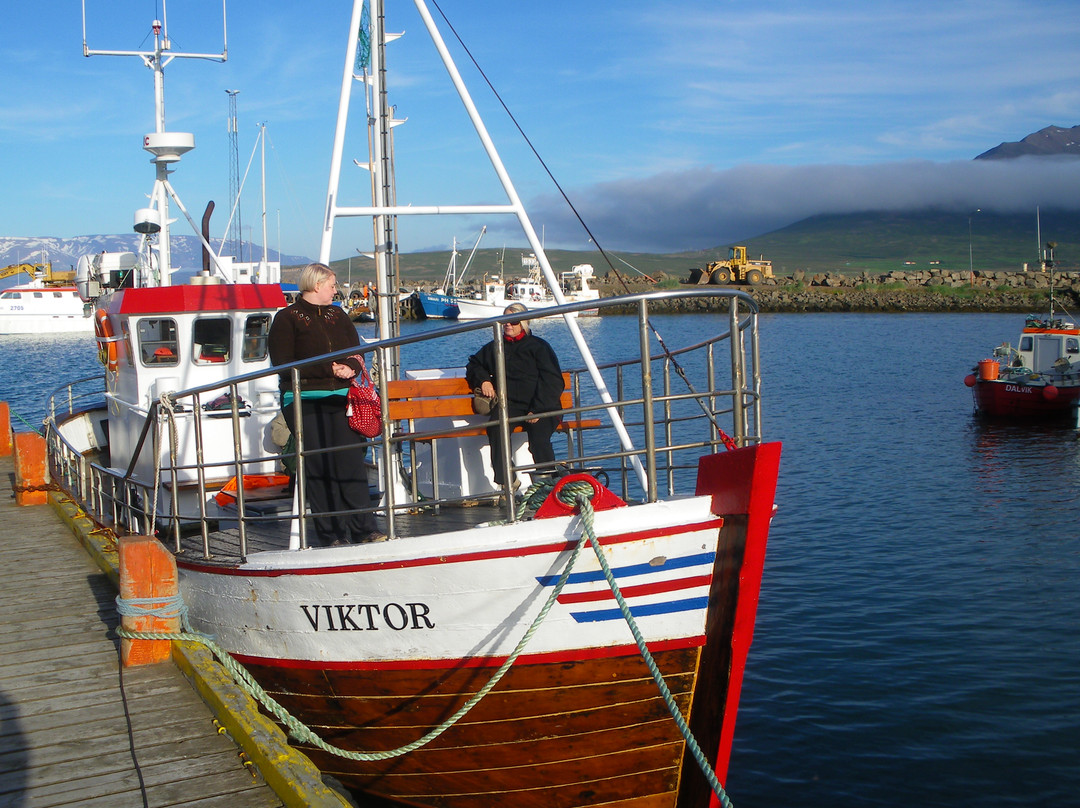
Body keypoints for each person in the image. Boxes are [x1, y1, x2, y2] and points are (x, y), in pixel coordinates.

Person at [268, 263, 384, 546]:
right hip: (304, 398)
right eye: (332, 285)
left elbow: (355, 351)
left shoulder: (339, 315)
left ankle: (364, 528)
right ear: (317, 285)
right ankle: (331, 534)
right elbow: (283, 363)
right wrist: (328, 370)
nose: (336, 290)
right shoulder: (287, 318)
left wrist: (349, 368)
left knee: (351, 462)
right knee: (319, 466)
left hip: (341, 398)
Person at [465, 303, 564, 491]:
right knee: (496, 429)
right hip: (510, 404)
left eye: (513, 321)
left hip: (541, 404)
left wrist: (538, 409)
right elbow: (474, 364)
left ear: (524, 323)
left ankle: (549, 486)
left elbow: (553, 381)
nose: (508, 325)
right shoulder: (496, 347)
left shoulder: (539, 347)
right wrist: (484, 380)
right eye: (504, 321)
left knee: (539, 439)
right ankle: (508, 482)